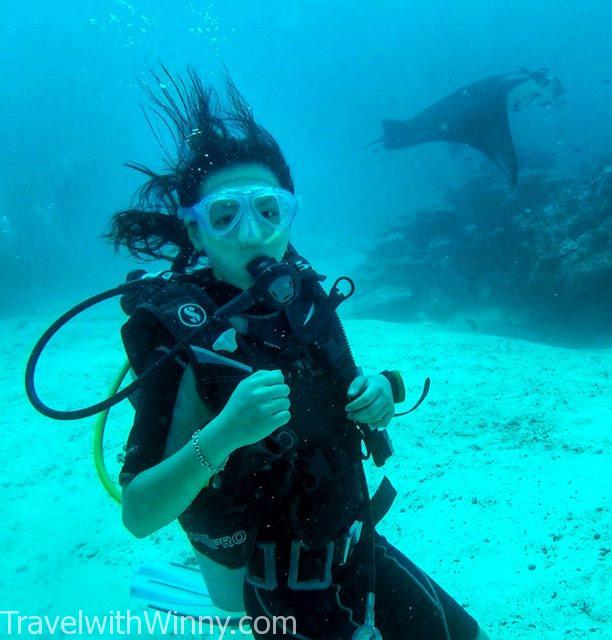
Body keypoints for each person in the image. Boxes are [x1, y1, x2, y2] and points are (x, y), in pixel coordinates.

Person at [108, 67, 489, 640]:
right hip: (277, 593)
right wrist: (224, 434)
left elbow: (339, 391)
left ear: (289, 213)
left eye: (267, 210)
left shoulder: (302, 296)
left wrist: (382, 390)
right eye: (223, 215)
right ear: (195, 232)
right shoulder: (178, 341)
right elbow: (139, 513)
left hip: (357, 540)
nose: (250, 234)